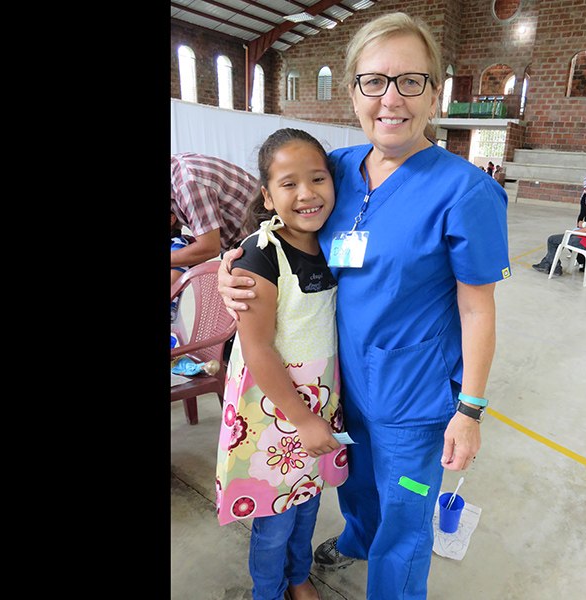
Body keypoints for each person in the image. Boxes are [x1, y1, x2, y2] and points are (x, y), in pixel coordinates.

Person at [216, 12, 510, 600]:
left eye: (410, 81)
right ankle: (356, 537)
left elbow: (478, 311)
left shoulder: (466, 192)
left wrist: (470, 410)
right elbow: (281, 229)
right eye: (373, 81)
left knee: (404, 516)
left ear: (434, 92)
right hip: (341, 381)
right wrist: (234, 270)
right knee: (357, 486)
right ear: (353, 91)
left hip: (414, 396)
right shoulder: (339, 170)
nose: (391, 99)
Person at [214, 128, 348, 600]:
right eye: (289, 184)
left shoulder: (334, 242)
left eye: (318, 179)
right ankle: (267, 590)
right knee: (273, 519)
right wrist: (303, 418)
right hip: (276, 411)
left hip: (318, 403)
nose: (307, 193)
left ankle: (297, 577)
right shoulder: (259, 256)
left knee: (308, 504)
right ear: (268, 197)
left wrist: (318, 416)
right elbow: (258, 350)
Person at [170, 152, 260, 270]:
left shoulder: (187, 184)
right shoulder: (176, 169)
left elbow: (208, 247)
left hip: (262, 239)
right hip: (242, 244)